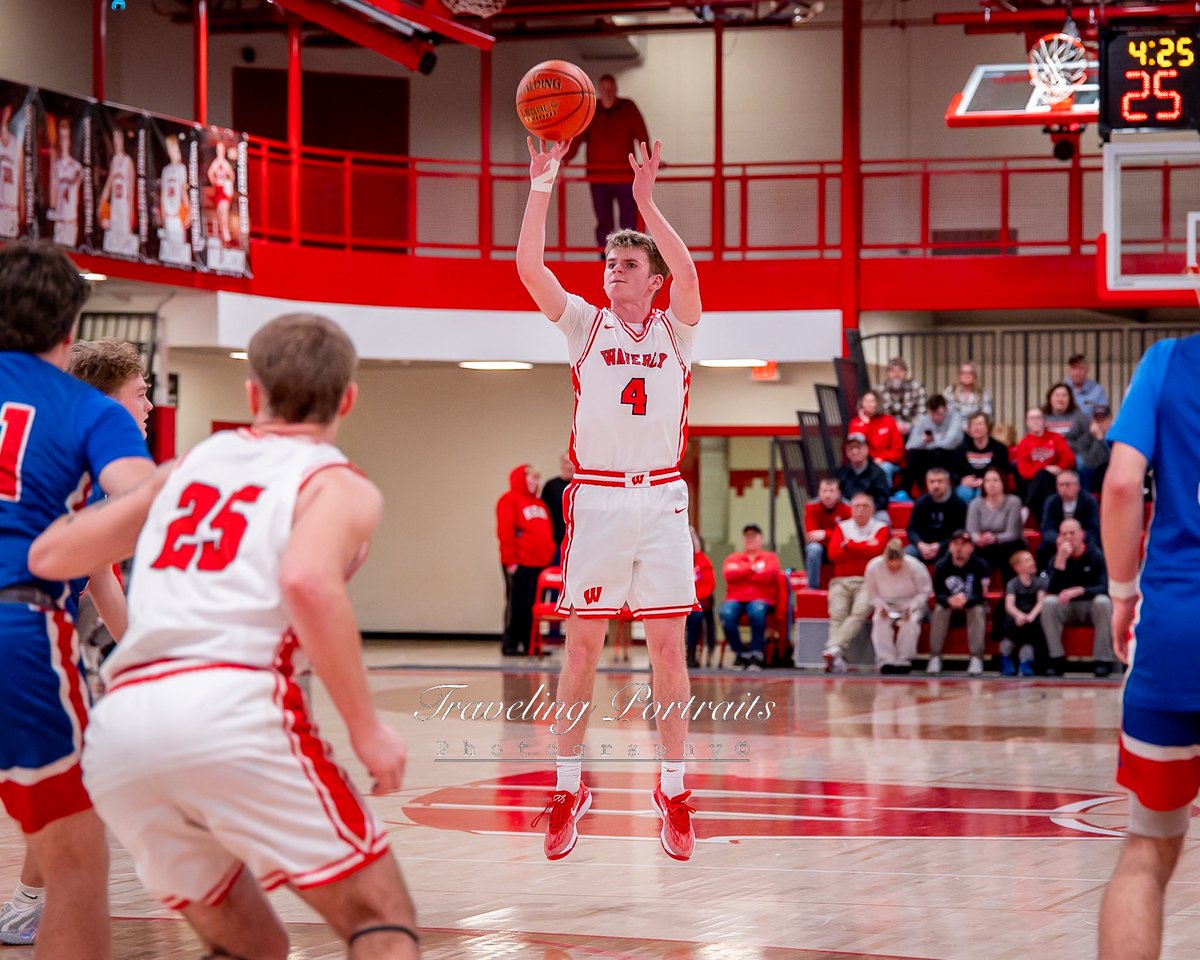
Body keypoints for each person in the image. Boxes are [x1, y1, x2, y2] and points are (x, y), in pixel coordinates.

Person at [29, 313, 422, 960]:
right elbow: (307, 582)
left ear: (251, 394)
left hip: (123, 731)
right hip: (232, 709)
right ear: (348, 398)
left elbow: (53, 556)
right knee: (380, 918)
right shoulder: (337, 484)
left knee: (254, 943)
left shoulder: (189, 466)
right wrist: (366, 728)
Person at [517, 136, 701, 861]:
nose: (611, 272)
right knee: (582, 650)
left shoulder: (677, 332)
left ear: (650, 280)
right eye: (608, 263)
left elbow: (687, 267)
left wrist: (648, 204)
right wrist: (542, 184)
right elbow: (529, 268)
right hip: (595, 499)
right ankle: (569, 783)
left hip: (659, 500)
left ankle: (675, 789)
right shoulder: (583, 325)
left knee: (667, 649)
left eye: (626, 265)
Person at [0, 242, 156, 960]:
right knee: (78, 867)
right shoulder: (90, 413)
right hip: (18, 629)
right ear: (69, 326)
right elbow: (138, 500)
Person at [1096, 335, 1198, 960]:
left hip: (1175, 630)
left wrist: (1122, 592)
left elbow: (1122, 485)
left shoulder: (1166, 363)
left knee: (1148, 844)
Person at [563, 74, 650, 250]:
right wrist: (563, 159)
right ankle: (606, 259)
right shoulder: (591, 110)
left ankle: (630, 256)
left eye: (611, 89)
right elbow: (577, 137)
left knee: (629, 221)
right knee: (604, 222)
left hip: (625, 177)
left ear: (616, 89)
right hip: (598, 178)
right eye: (604, 89)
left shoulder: (628, 107)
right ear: (599, 91)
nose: (608, 93)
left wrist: (649, 160)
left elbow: (642, 134)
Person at [822, 492, 889, 675]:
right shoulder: (842, 526)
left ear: (873, 509)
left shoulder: (881, 528)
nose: (860, 510)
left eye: (865, 506)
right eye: (857, 506)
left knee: (859, 612)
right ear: (851, 509)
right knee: (837, 614)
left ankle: (833, 648)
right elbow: (833, 554)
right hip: (841, 580)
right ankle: (837, 657)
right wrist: (864, 546)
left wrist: (849, 545)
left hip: (868, 580)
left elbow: (878, 550)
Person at [1039, 517, 1113, 678]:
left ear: (1082, 535)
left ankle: (1102, 660)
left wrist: (1081, 590)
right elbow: (1052, 589)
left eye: (1072, 533)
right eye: (1064, 534)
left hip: (1090, 608)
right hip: (1068, 609)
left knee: (1103, 602)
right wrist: (1060, 563)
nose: (1068, 537)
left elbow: (1105, 587)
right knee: (1049, 603)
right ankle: (1056, 659)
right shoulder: (1056, 558)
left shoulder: (1095, 555)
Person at [496, 463, 556, 657]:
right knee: (517, 604)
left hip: (539, 564)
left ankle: (531, 644)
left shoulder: (539, 504)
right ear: (521, 478)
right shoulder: (509, 500)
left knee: (533, 606)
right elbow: (505, 532)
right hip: (519, 563)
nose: (536, 481)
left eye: (538, 478)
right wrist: (510, 560)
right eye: (532, 477)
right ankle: (511, 643)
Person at [719, 523, 782, 671]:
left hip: (761, 599)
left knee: (756, 611)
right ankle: (740, 653)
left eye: (753, 535)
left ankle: (756, 653)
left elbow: (769, 575)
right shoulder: (733, 557)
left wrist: (742, 572)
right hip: (735, 599)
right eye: (747, 536)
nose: (750, 539)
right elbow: (729, 575)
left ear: (761, 538)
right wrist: (753, 569)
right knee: (726, 613)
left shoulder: (770, 557)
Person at [864, 537, 931, 674]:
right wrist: (880, 606)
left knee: (910, 622)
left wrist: (912, 607)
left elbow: (925, 592)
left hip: (911, 602)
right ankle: (886, 660)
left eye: (898, 566)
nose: (894, 569)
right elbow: (872, 593)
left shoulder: (916, 567)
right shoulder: (873, 567)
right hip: (886, 602)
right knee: (879, 620)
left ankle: (903, 660)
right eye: (890, 566)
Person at [927, 530, 989, 676]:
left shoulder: (981, 565)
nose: (959, 548)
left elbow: (982, 595)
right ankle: (935, 657)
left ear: (971, 548)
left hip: (971, 606)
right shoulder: (941, 565)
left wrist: (966, 600)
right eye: (956, 544)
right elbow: (938, 594)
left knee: (978, 610)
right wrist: (949, 600)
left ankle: (976, 657)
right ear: (950, 547)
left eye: (964, 544)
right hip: (950, 607)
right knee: (939, 609)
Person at [1013, 406, 1075, 521]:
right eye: (1032, 418)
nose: (1035, 421)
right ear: (1027, 422)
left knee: (1046, 479)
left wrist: (1059, 469)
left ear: (1044, 420)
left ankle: (1026, 507)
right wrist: (1045, 469)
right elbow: (1024, 471)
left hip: (1054, 479)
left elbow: (1069, 458)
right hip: (1033, 483)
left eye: (1038, 418)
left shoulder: (1055, 438)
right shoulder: (1024, 443)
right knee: (1042, 476)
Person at [965, 467, 1025, 583]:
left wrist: (995, 538)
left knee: (1009, 549)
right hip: (985, 544)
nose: (991, 484)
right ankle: (978, 592)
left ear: (1003, 482)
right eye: (987, 481)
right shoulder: (975, 503)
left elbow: (1013, 533)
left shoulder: (1014, 501)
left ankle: (1009, 592)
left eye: (995, 480)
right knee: (971, 550)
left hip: (1008, 543)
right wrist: (978, 538)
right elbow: (971, 530)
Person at [999, 549, 1046, 677]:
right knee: (1010, 636)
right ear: (1017, 567)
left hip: (1031, 617)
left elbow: (1041, 602)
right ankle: (1005, 658)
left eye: (1031, 559)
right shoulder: (1013, 584)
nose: (1032, 563)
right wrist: (1018, 615)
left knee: (1030, 638)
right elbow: (1009, 605)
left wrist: (1031, 616)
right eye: (1027, 560)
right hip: (1016, 617)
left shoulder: (1039, 582)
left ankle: (1025, 663)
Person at [905, 467, 967, 564]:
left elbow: (960, 532)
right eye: (932, 482)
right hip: (923, 545)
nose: (936, 485)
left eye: (940, 481)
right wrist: (920, 544)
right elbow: (911, 529)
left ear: (947, 482)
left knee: (954, 553)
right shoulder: (921, 503)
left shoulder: (959, 505)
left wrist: (940, 545)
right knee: (906, 555)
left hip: (947, 546)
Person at [904, 395, 963, 493]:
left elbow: (948, 443)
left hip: (952, 455)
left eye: (939, 414)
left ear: (946, 409)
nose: (935, 417)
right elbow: (909, 445)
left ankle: (939, 487)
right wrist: (924, 440)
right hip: (931, 454)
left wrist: (932, 439)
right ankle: (905, 491)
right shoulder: (925, 420)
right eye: (932, 414)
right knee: (912, 454)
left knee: (938, 452)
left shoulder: (955, 418)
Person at [1039, 468, 1100, 562]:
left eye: (1067, 485)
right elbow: (1047, 529)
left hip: (1083, 540)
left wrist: (1077, 539)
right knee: (1042, 549)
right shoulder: (1051, 502)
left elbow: (1093, 528)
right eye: (1060, 485)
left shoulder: (1089, 501)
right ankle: (1045, 575)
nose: (1063, 488)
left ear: (1077, 486)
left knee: (1095, 548)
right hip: (1059, 540)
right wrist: (1060, 539)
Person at [846, 390, 904, 488]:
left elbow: (897, 449)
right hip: (863, 461)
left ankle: (884, 497)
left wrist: (882, 458)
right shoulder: (855, 423)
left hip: (886, 461)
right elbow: (855, 446)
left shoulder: (888, 420)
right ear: (861, 404)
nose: (869, 404)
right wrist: (865, 424)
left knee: (883, 469)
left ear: (878, 403)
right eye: (866, 401)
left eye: (872, 401)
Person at [953, 411, 1011, 502]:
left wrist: (986, 481)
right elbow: (952, 471)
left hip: (990, 485)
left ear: (988, 427)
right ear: (969, 429)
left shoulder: (999, 448)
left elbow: (1004, 472)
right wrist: (962, 480)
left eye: (980, 424)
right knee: (961, 494)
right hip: (967, 486)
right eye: (973, 425)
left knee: (983, 494)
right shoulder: (961, 449)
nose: (976, 428)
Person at [803, 476, 850, 588]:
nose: (827, 495)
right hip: (821, 547)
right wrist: (833, 534)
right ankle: (813, 588)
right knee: (813, 549)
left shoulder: (848, 508)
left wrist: (825, 534)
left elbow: (847, 534)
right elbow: (812, 535)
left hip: (840, 546)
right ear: (819, 492)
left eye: (832, 491)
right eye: (824, 491)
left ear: (839, 493)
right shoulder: (811, 507)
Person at [836, 433, 891, 520]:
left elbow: (883, 499)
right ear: (846, 452)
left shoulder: (878, 472)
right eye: (851, 448)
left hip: (872, 512)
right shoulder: (841, 472)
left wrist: (868, 508)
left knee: (883, 518)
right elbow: (837, 495)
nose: (854, 451)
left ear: (866, 449)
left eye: (858, 447)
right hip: (848, 512)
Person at [99, 131, 136, 257]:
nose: (117, 142)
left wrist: (131, 216)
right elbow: (109, 183)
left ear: (123, 140)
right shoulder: (114, 160)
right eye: (115, 139)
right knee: (113, 241)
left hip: (124, 206)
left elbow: (131, 190)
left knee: (124, 241)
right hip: (115, 206)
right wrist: (102, 204)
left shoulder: (128, 161)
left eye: (119, 139)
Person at [48, 119, 82, 248]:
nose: (64, 141)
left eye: (66, 137)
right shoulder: (56, 166)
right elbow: (53, 190)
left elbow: (76, 182)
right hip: (59, 220)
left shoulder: (77, 166)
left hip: (71, 219)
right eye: (61, 137)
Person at [686, 528, 715, 669]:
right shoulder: (673, 559)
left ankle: (690, 653)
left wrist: (697, 552)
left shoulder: (702, 561)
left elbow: (709, 585)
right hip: (677, 601)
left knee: (696, 615)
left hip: (695, 602)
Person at [874, 357, 926, 436]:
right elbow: (879, 414)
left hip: (913, 429)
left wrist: (909, 426)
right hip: (888, 430)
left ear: (906, 373)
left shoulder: (917, 388)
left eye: (900, 371)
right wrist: (894, 426)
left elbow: (922, 412)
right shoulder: (880, 390)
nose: (896, 374)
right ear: (887, 373)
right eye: (892, 371)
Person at [159, 135, 190, 265]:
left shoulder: (181, 168)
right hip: (168, 215)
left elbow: (183, 191)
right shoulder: (165, 171)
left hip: (178, 214)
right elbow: (163, 194)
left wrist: (189, 211)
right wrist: (162, 217)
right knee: (168, 251)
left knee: (179, 251)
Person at [540, 452, 573, 563]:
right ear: (561, 465)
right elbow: (543, 516)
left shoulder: (580, 487)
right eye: (566, 462)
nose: (569, 466)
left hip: (577, 543)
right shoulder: (551, 486)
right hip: (557, 544)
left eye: (572, 463)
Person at [1042, 382, 1090, 456]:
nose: (1060, 399)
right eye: (1057, 395)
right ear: (1050, 398)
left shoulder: (1080, 417)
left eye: (1064, 395)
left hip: (1073, 455)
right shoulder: (1041, 416)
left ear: (1070, 399)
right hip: (1045, 455)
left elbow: (1087, 439)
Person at [1077, 404, 1113, 493]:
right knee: (1086, 472)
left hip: (1114, 472)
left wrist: (1101, 440)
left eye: (1102, 420)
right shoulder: (1085, 439)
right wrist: (1099, 439)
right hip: (1095, 474)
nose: (1099, 423)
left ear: (1110, 420)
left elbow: (1112, 460)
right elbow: (1091, 463)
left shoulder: (1117, 436)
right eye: (1097, 420)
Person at [0, 104, 24, 240]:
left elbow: (20, 178)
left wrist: (22, 206)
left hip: (11, 206)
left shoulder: (16, 145)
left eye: (8, 111)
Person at [207, 142, 235, 246]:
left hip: (225, 190)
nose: (220, 152)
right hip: (218, 189)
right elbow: (210, 173)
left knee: (224, 209)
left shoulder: (225, 163)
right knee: (220, 210)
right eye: (219, 150)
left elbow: (232, 175)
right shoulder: (215, 163)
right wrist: (214, 182)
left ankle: (226, 232)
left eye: (222, 150)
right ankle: (222, 231)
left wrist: (229, 185)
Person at [1066, 353, 1107, 420]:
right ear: (1068, 370)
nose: (1077, 372)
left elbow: (1101, 412)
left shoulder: (1097, 389)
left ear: (1087, 369)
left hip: (1089, 428)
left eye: (1080, 368)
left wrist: (1097, 423)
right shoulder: (1062, 388)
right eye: (1074, 368)